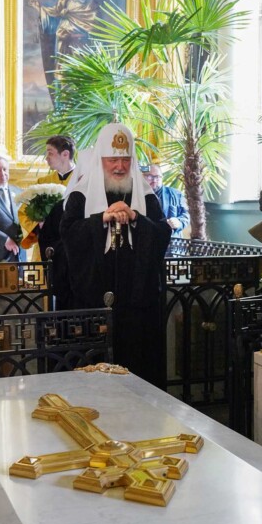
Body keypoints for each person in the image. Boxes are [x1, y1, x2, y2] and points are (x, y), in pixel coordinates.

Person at [61, 123, 171, 384]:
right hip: (94, 295)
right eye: (113, 160)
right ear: (101, 159)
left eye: (125, 159)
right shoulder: (81, 195)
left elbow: (162, 233)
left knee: (138, 364)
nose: (120, 166)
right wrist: (101, 219)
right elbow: (68, 234)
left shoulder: (146, 195)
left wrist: (135, 218)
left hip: (137, 300)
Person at [28, 0, 99, 72]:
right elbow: (55, 12)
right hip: (64, 42)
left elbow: (94, 22)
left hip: (82, 44)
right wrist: (39, 8)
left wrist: (70, 16)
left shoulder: (91, 1)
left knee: (81, 73)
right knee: (64, 73)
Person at [37, 135, 76, 309]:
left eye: (50, 153)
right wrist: (37, 221)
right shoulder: (42, 183)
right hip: (50, 246)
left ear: (65, 154)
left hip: (74, 246)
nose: (47, 158)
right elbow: (26, 214)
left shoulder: (83, 179)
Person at [142, 163, 189, 237]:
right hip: (144, 240)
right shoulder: (136, 196)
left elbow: (187, 214)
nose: (154, 180)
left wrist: (179, 222)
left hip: (171, 241)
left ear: (162, 177)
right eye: (149, 176)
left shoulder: (177, 194)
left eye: (157, 177)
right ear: (142, 177)